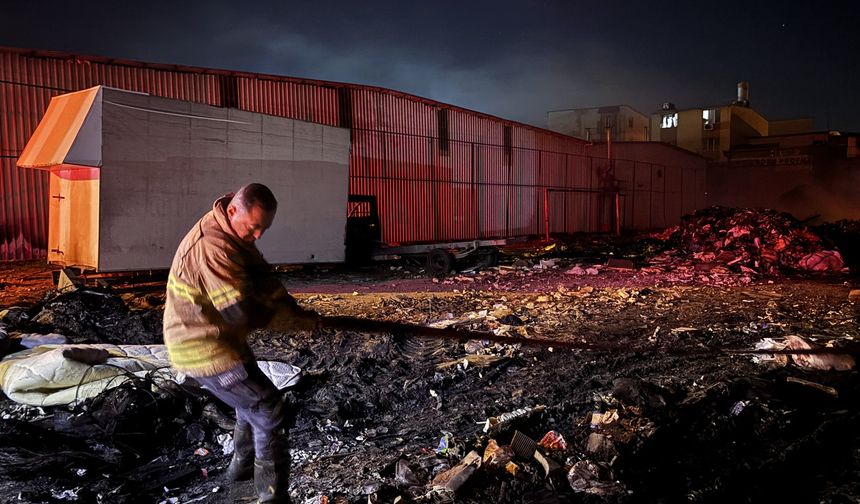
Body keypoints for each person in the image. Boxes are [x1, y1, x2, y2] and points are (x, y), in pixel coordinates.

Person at [163, 183, 318, 503]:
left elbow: (264, 279)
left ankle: (241, 475)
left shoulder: (236, 233)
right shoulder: (213, 246)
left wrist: (295, 311)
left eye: (264, 229)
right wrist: (293, 322)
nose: (258, 235)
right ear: (233, 210)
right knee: (267, 407)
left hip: (223, 338)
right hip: (200, 346)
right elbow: (240, 312)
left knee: (251, 402)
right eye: (254, 227)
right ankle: (271, 496)